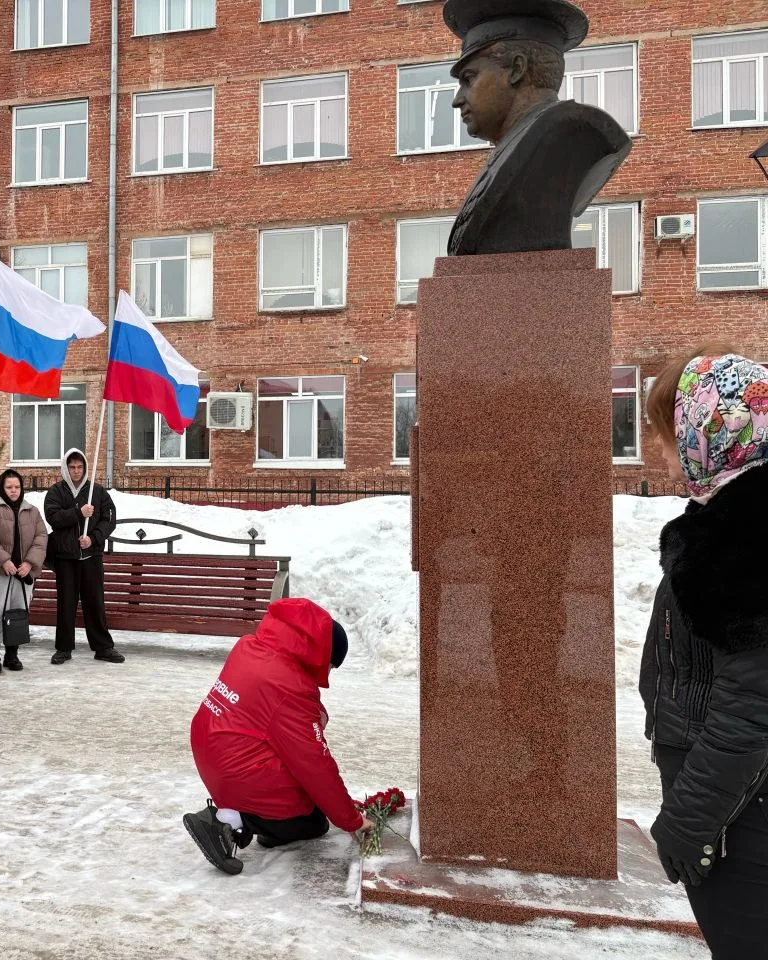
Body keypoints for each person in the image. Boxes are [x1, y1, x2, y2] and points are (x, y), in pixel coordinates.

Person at [639, 349, 768, 957]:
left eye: (665, 431)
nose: (659, 448)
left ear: (708, 432)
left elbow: (753, 706)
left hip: (743, 815)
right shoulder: (728, 520)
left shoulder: (747, 536)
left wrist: (690, 822)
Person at [183, 598, 372, 875]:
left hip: (212, 752)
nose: (327, 675)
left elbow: (265, 709)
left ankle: (246, 817)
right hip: (238, 770)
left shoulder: (249, 647)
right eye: (330, 667)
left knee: (303, 800)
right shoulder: (292, 687)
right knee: (312, 822)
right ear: (321, 655)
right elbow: (314, 764)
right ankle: (230, 822)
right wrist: (352, 820)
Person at [442, 0, 630, 255]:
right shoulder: (511, 147)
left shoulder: (567, 134)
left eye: (469, 79)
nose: (457, 100)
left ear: (516, 69)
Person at [43, 448, 123, 665]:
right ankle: (64, 648)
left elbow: (109, 519)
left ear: (85, 468)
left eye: (79, 467)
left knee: (95, 602)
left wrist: (93, 538)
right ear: (66, 469)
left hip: (91, 557)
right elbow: (53, 517)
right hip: (66, 557)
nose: (76, 471)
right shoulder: (56, 492)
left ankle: (103, 647)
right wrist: (79, 512)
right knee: (66, 603)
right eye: (72, 467)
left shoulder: (97, 491)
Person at [0, 469, 47, 675]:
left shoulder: (32, 511)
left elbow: (41, 538)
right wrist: (4, 560)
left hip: (22, 573)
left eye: (17, 487)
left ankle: (12, 655)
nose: (14, 491)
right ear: (1, 488)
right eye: (9, 487)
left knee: (17, 612)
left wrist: (30, 563)